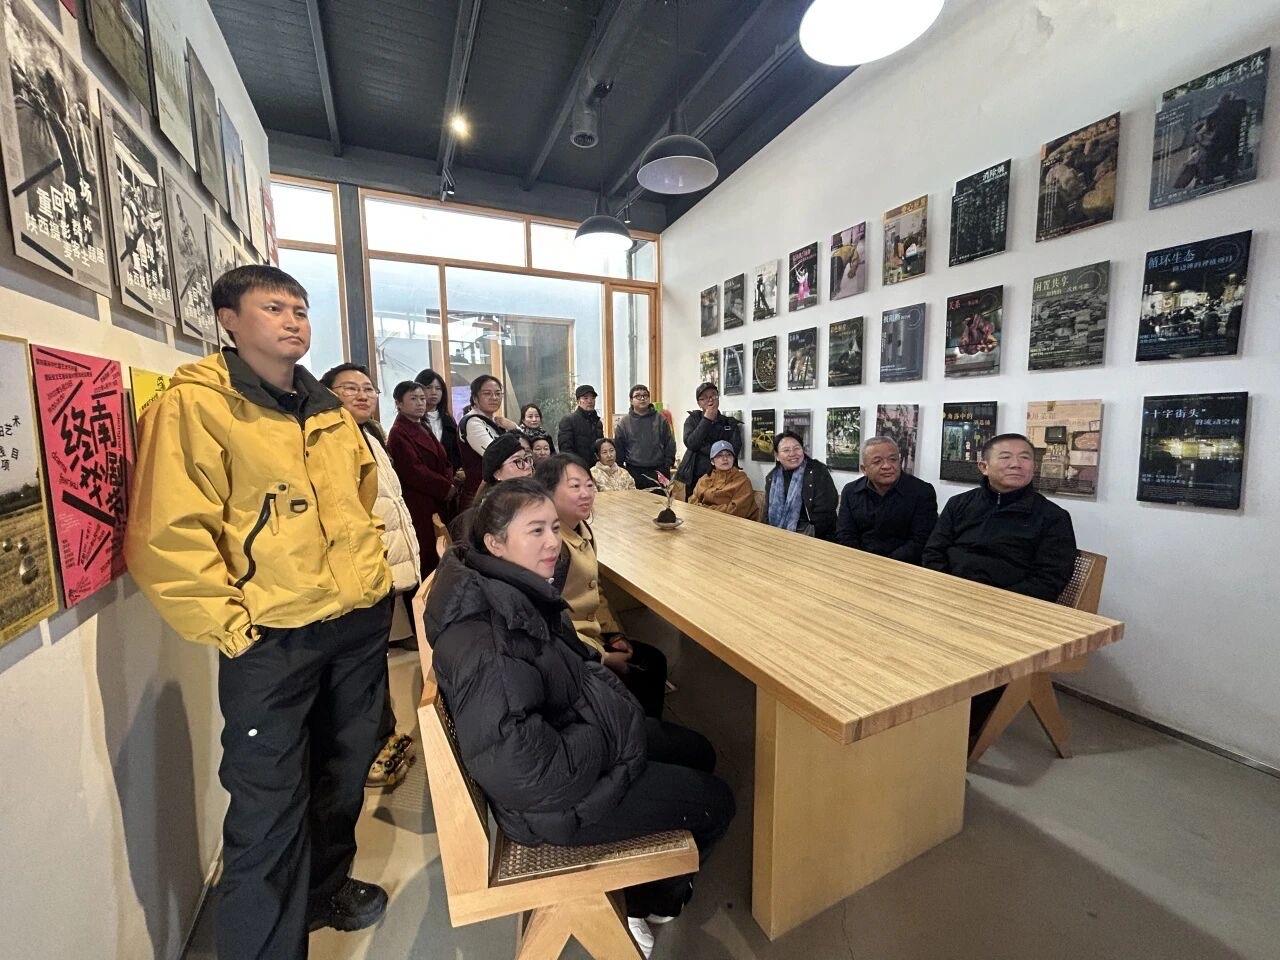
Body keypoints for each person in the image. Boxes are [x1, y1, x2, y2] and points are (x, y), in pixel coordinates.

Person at [125, 265, 395, 960]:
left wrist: (372, 583)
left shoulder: (328, 411)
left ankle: (324, 890)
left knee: (342, 776)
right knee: (267, 805)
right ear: (228, 320)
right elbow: (166, 534)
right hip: (271, 638)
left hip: (355, 624)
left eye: (300, 309)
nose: (293, 321)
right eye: (273, 308)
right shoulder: (195, 406)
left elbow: (360, 501)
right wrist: (233, 628)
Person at [425, 480, 735, 954]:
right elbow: (529, 773)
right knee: (716, 801)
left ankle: (651, 887)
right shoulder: (490, 640)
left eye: (555, 528)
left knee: (700, 750)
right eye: (536, 531)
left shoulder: (509, 591)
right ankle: (649, 901)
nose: (553, 542)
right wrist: (608, 737)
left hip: (570, 734)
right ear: (495, 543)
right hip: (551, 807)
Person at [923, 433, 1078, 737]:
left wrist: (992, 605)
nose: (1016, 464)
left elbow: (1049, 579)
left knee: (976, 651)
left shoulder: (1052, 517)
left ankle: (957, 739)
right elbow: (933, 552)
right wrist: (947, 592)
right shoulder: (960, 504)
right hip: (949, 599)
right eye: (1005, 457)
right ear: (984, 466)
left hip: (1008, 613)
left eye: (1025, 458)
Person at [321, 364, 419, 789]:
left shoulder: (370, 435)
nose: (362, 395)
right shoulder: (329, 440)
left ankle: (383, 739)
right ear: (327, 394)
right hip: (363, 570)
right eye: (349, 388)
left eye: (368, 388)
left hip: (383, 568)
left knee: (374, 664)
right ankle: (369, 750)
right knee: (360, 671)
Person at [535, 454, 669, 719]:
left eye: (589, 485)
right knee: (651, 666)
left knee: (654, 661)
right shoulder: (554, 548)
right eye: (575, 486)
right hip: (573, 653)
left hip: (592, 636)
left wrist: (613, 633)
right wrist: (601, 657)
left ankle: (646, 726)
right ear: (548, 492)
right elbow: (549, 622)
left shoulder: (582, 529)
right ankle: (640, 729)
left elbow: (594, 588)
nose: (586, 493)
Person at [386, 381, 462, 582]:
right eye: (413, 399)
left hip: (438, 498)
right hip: (420, 502)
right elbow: (413, 471)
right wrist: (445, 487)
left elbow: (443, 459)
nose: (420, 403)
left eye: (422, 398)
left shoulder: (422, 425)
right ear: (399, 403)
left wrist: (450, 481)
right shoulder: (398, 432)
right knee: (428, 553)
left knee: (441, 549)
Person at [835, 436, 938, 563]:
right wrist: (861, 561)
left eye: (893, 459)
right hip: (859, 562)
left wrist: (884, 564)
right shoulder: (851, 491)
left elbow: (921, 540)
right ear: (864, 469)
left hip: (903, 565)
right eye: (877, 461)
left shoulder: (922, 492)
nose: (887, 466)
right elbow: (845, 534)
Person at [763, 430, 838, 540]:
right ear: (777, 455)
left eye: (796, 448)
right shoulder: (772, 477)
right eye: (786, 450)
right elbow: (767, 512)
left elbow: (826, 512)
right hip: (777, 533)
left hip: (813, 536)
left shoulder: (818, 471)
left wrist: (801, 537)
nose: (792, 453)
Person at [458, 374, 518, 507]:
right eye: (487, 393)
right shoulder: (472, 422)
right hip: (479, 496)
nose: (494, 397)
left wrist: (513, 427)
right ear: (475, 398)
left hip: (497, 492)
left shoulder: (496, 421)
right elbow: (497, 455)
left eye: (498, 393)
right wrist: (515, 430)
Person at [674, 382, 742, 492]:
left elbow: (733, 450)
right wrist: (706, 419)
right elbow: (691, 444)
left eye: (713, 395)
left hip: (723, 478)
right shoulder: (692, 420)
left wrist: (703, 447)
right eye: (704, 398)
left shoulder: (729, 423)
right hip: (695, 477)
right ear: (699, 403)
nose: (710, 400)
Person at [613, 383, 675, 490]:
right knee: (635, 500)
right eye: (638, 396)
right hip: (634, 472)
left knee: (661, 500)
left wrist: (667, 464)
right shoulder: (624, 423)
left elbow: (670, 444)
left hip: (659, 470)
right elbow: (619, 449)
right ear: (631, 401)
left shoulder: (660, 419)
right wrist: (622, 469)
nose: (642, 398)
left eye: (645, 395)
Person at [688, 440, 759, 521]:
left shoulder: (742, 481)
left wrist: (705, 510)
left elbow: (735, 511)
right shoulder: (704, 479)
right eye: (719, 455)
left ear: (733, 459)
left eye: (729, 455)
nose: (725, 458)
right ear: (712, 461)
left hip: (732, 524)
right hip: (703, 520)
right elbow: (692, 501)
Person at [413, 367, 464, 476]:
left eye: (438, 388)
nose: (434, 392)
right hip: (424, 477)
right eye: (428, 387)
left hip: (449, 477)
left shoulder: (448, 420)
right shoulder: (413, 420)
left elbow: (456, 452)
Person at [557, 384, 604, 465]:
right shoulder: (569, 420)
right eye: (585, 398)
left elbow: (601, 446)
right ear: (578, 401)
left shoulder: (597, 422)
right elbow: (565, 450)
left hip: (596, 468)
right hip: (577, 466)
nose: (590, 401)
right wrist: (577, 466)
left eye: (593, 398)